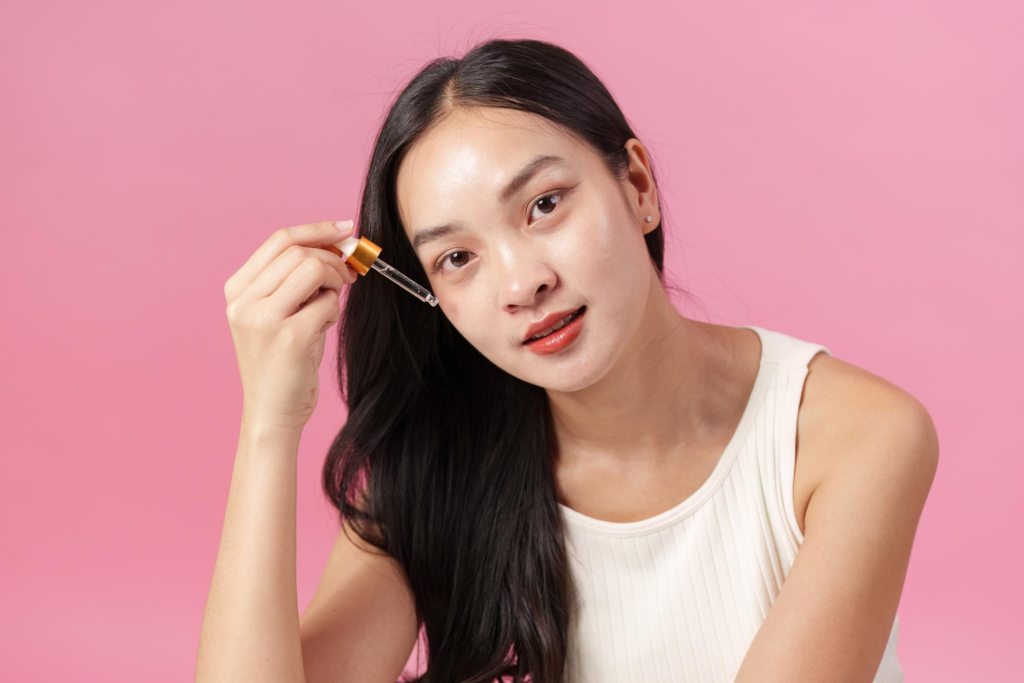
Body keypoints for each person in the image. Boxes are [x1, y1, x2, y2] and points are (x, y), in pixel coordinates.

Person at [197, 38, 938, 683]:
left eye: (544, 205)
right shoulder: (444, 469)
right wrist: (269, 423)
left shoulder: (856, 435)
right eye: (457, 258)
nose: (522, 285)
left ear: (638, 187)